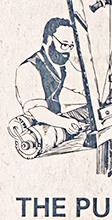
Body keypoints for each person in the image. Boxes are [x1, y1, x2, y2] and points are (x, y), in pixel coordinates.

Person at [13, 16, 98, 152]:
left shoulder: (61, 65)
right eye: (64, 45)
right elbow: (37, 111)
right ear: (49, 40)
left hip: (58, 118)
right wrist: (65, 123)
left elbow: (80, 86)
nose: (67, 51)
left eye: (71, 46)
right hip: (41, 124)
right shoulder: (28, 69)